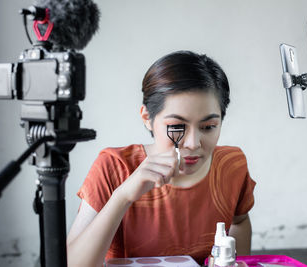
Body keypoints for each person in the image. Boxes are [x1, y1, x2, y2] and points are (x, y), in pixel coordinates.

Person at [66, 51, 256, 266]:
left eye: (209, 127)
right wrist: (123, 196)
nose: (193, 143)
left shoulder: (231, 165)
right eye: (177, 127)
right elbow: (73, 263)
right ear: (147, 118)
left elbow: (239, 222)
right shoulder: (114, 167)